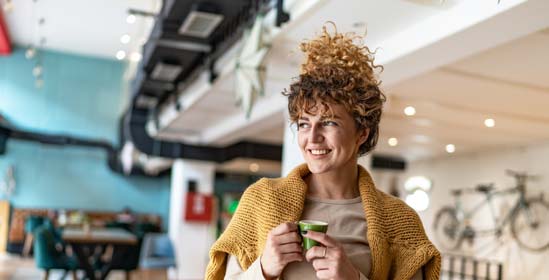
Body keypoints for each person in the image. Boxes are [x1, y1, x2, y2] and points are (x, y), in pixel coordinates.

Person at [206, 23, 441, 280]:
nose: (313, 137)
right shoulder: (261, 200)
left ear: (362, 133)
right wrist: (264, 268)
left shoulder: (400, 220)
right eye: (304, 123)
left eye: (329, 122)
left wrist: (354, 278)